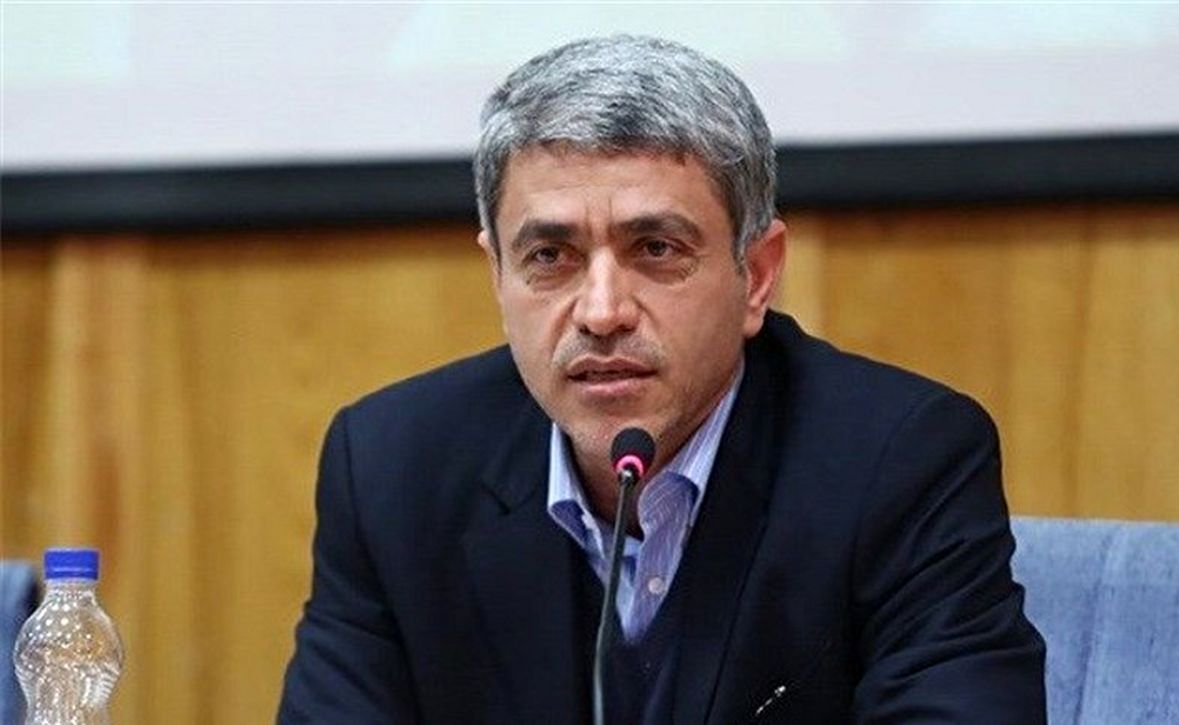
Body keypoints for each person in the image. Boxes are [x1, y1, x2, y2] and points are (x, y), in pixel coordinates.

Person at [278, 35, 1045, 724]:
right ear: (498, 274)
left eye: (655, 249)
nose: (601, 311)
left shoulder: (898, 462)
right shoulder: (393, 469)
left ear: (757, 275)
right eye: (550, 256)